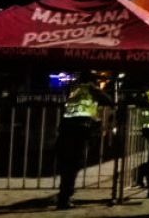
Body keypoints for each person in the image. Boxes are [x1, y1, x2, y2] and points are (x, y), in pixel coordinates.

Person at [55, 72, 113, 210]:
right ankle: (65, 198)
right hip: (79, 131)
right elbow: (108, 100)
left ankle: (64, 195)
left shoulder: (74, 90)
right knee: (74, 164)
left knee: (67, 165)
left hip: (66, 129)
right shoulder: (91, 90)